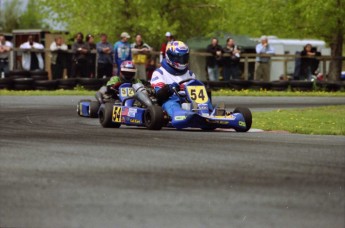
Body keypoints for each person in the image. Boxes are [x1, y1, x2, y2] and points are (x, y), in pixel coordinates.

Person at [151, 41, 213, 128]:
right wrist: (169, 88)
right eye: (178, 58)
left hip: (189, 101)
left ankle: (210, 114)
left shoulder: (190, 74)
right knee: (171, 104)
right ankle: (181, 116)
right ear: (170, 56)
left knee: (204, 100)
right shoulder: (160, 73)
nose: (182, 60)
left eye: (184, 57)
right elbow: (159, 95)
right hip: (170, 100)